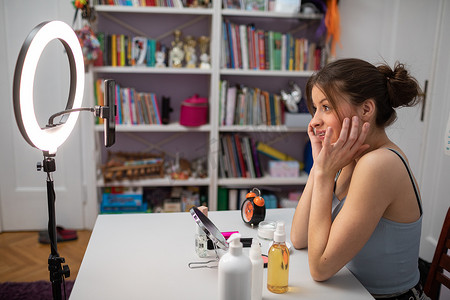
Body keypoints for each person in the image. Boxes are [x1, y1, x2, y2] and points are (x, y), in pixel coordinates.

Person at [290, 58, 428, 299]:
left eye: (326, 107)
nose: (314, 122)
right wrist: (319, 165)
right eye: (315, 109)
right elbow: (299, 238)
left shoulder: (379, 164)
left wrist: (324, 173)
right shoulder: (349, 158)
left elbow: (320, 267)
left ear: (366, 110)